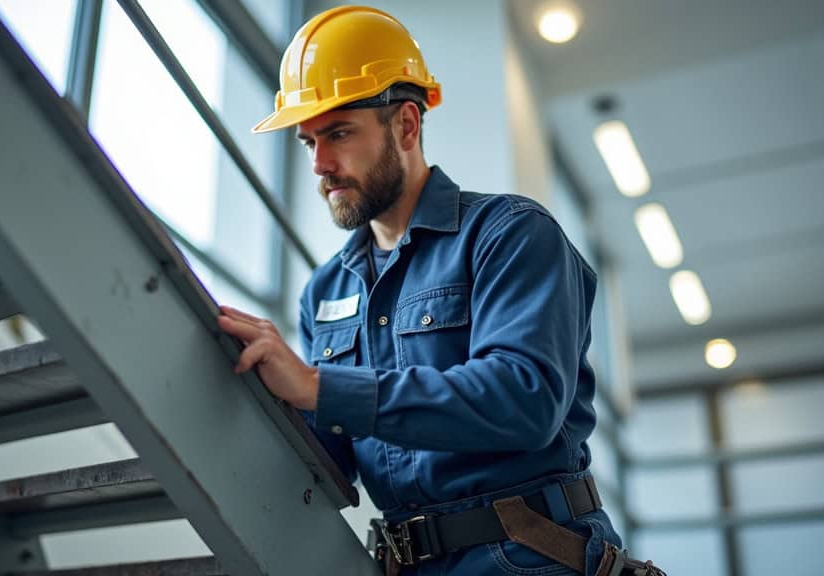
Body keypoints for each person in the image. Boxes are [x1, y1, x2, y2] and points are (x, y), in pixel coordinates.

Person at [217, 5, 662, 575]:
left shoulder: (509, 233)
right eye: (308, 143)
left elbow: (524, 400)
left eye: (340, 133)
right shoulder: (324, 290)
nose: (321, 165)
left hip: (530, 554)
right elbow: (331, 458)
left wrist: (317, 385)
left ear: (406, 123)